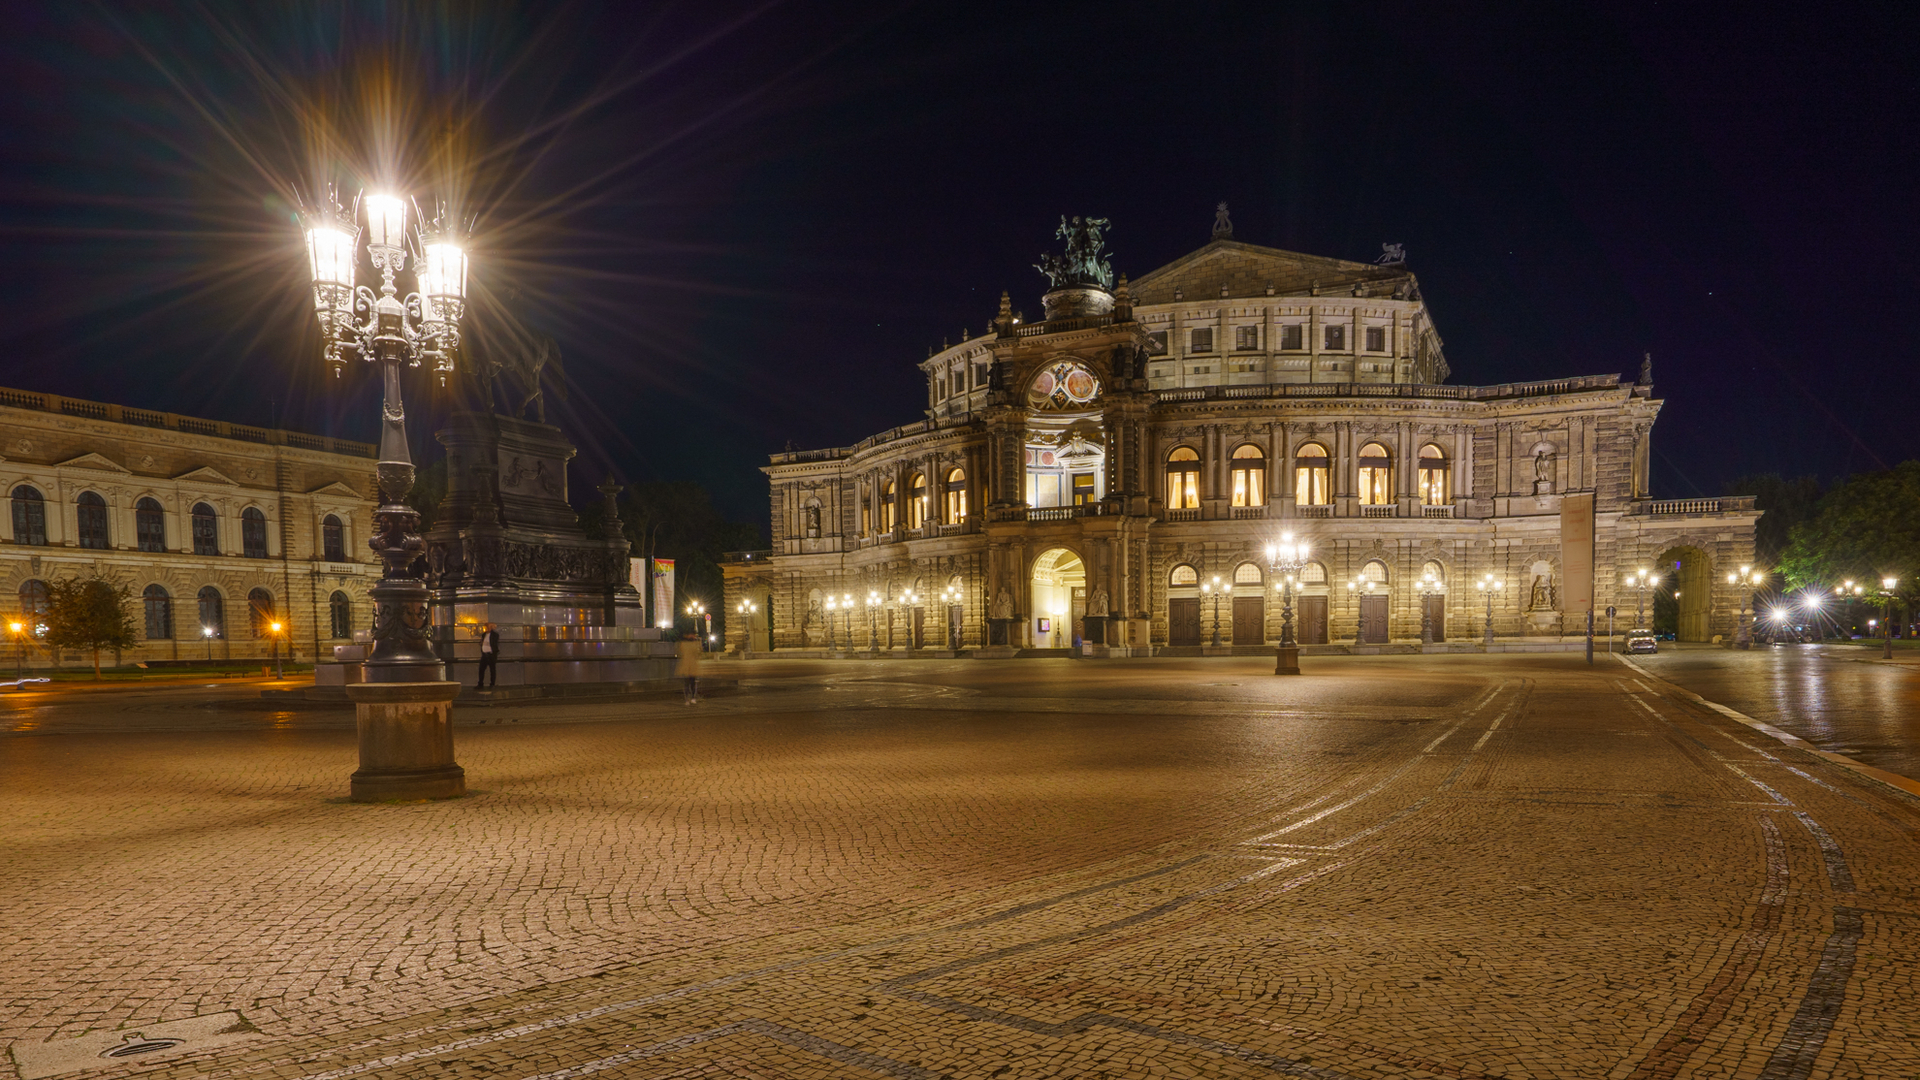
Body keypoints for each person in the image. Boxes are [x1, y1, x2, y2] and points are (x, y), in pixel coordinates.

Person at [675, 631, 702, 704]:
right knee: (690, 683)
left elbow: (679, 653)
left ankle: (689, 698)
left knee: (689, 683)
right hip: (690, 665)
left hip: (688, 665)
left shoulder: (682, 644)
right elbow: (699, 653)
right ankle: (691, 698)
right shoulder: (694, 644)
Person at [476, 622, 500, 689]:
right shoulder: (484, 635)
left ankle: (492, 684)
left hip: (491, 654)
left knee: (492, 670)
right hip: (484, 654)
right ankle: (480, 683)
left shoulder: (494, 635)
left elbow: (494, 642)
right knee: (481, 669)